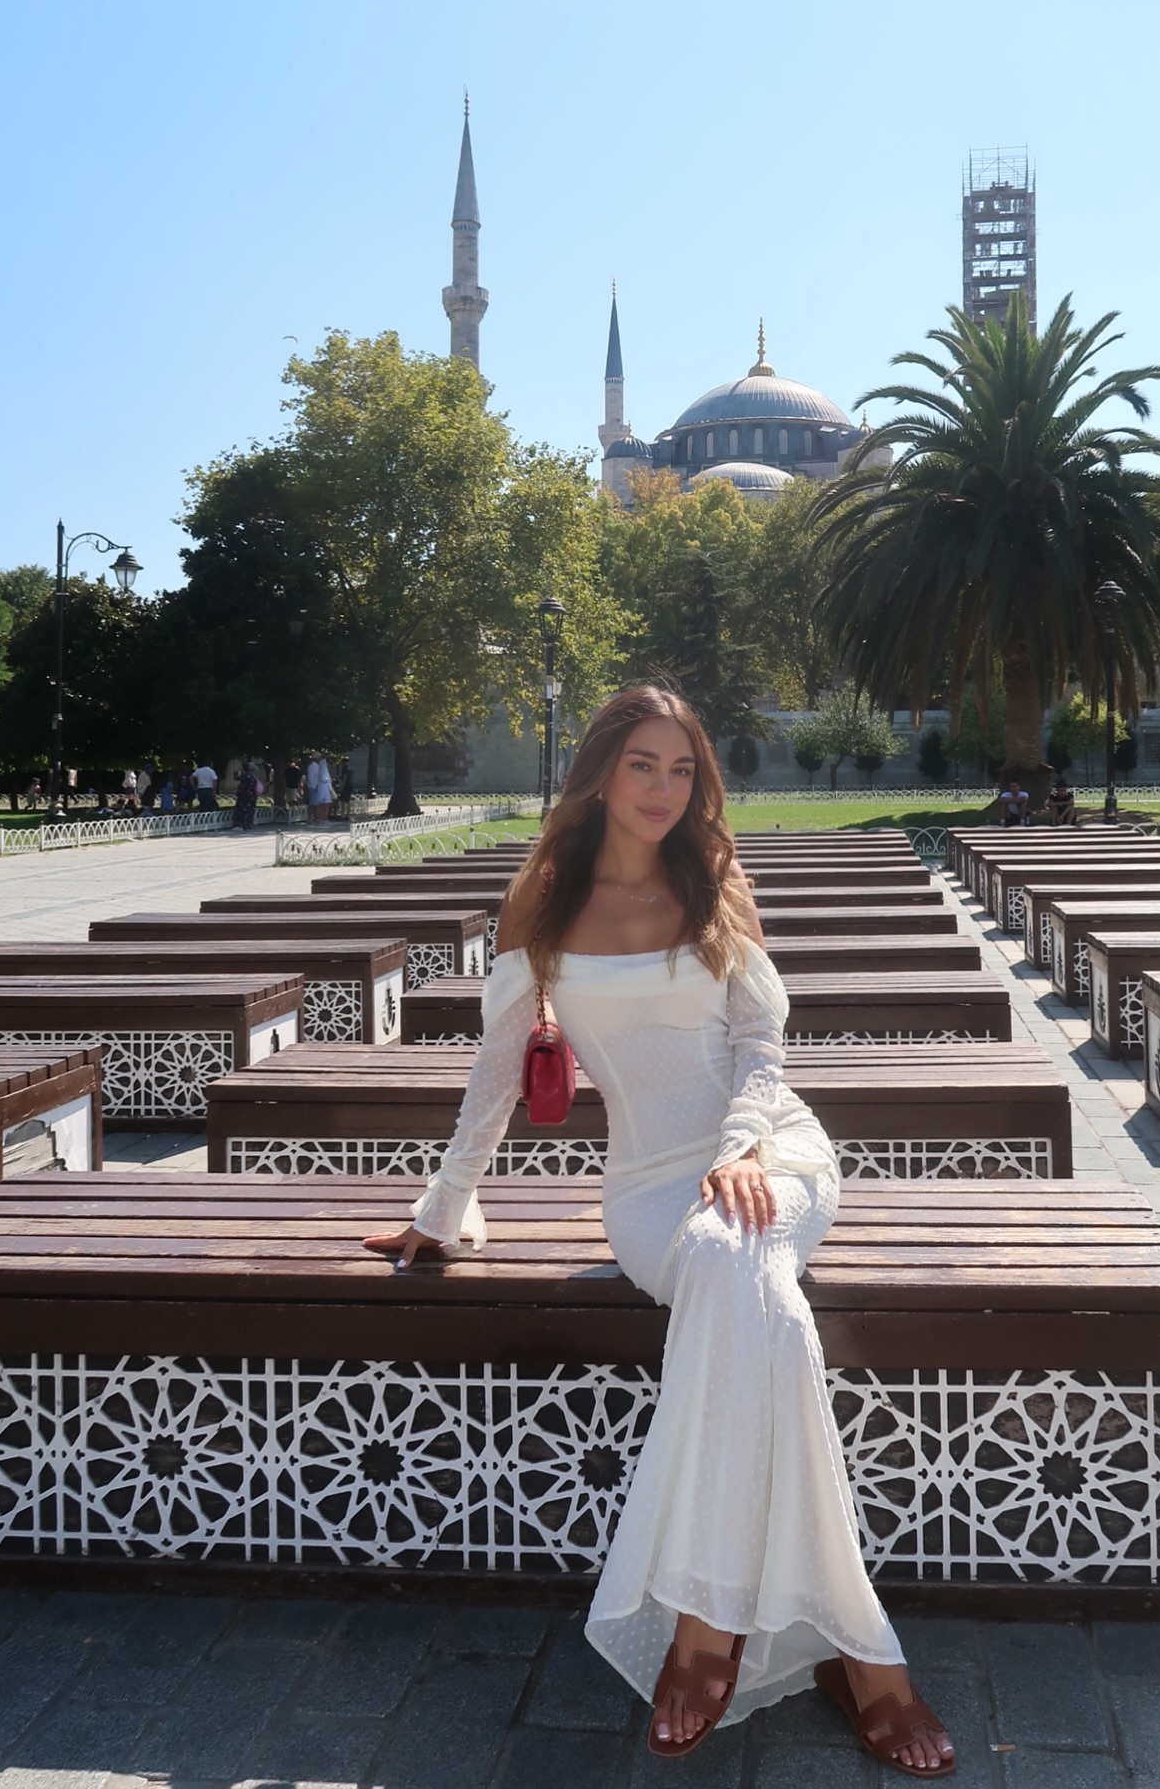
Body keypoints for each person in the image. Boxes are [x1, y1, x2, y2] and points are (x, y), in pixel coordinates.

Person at [361, 687, 954, 1776]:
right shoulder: (541, 901)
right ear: (598, 772)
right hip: (645, 1190)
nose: (664, 789)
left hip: (774, 1153)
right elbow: (497, 1070)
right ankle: (856, 1653)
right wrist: (440, 1209)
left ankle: (706, 1625)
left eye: (683, 770)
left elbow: (762, 1046)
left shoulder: (715, 878)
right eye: (643, 764)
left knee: (740, 1262)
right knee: (767, 1314)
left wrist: (739, 1148)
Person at [305, 752, 334, 825]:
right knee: (313, 803)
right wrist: (314, 786)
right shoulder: (312, 766)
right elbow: (311, 777)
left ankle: (316, 818)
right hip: (314, 786)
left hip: (318, 786)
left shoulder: (318, 766)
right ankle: (310, 817)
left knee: (316, 803)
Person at [233, 761, 259, 831]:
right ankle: (249, 824)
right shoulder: (253, 776)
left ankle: (241, 824)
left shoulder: (245, 776)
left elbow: (236, 778)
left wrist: (237, 771)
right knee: (250, 810)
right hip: (252, 795)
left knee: (242, 810)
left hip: (244, 795)